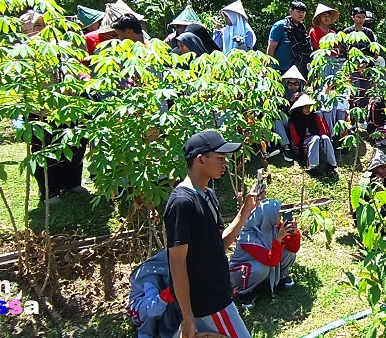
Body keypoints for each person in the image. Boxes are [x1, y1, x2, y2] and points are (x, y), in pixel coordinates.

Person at [165, 130, 258, 338]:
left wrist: (246, 210)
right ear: (200, 159)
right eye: (219, 158)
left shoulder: (209, 195)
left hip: (218, 294)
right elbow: (177, 263)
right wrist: (188, 318)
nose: (225, 163)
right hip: (208, 302)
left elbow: (217, 245)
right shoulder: (182, 203)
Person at [229, 198, 301, 304]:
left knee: (289, 253)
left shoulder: (273, 227)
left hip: (259, 265)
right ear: (267, 216)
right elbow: (271, 261)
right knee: (262, 268)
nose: (280, 217)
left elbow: (293, 249)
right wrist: (278, 240)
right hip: (239, 272)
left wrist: (294, 234)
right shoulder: (248, 237)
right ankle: (243, 292)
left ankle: (280, 278)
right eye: (277, 214)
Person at [127, 249, 182, 338]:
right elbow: (151, 310)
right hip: (143, 316)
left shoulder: (166, 275)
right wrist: (168, 294)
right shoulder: (149, 276)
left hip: (167, 314)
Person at [355, 149, 386, 235]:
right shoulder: (368, 181)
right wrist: (380, 184)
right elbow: (377, 203)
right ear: (375, 169)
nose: (385, 168)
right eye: (381, 166)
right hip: (371, 214)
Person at [287, 94, 337, 172]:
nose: (308, 109)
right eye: (305, 106)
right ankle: (312, 166)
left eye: (310, 106)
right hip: (301, 146)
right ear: (300, 108)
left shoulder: (315, 116)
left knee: (325, 138)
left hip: (316, 143)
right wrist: (310, 139)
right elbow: (296, 141)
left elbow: (323, 131)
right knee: (315, 138)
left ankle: (332, 164)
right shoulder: (294, 121)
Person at [267, 1, 311, 74]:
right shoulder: (280, 26)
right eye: (298, 11)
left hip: (299, 69)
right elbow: (272, 46)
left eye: (303, 12)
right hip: (280, 68)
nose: (301, 14)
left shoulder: (302, 28)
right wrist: (267, 67)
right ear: (291, 11)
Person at [309, 4, 342, 77]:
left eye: (328, 16)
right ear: (319, 17)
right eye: (324, 16)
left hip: (334, 61)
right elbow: (318, 48)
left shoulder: (332, 33)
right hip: (321, 61)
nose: (327, 18)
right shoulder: (314, 31)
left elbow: (337, 49)